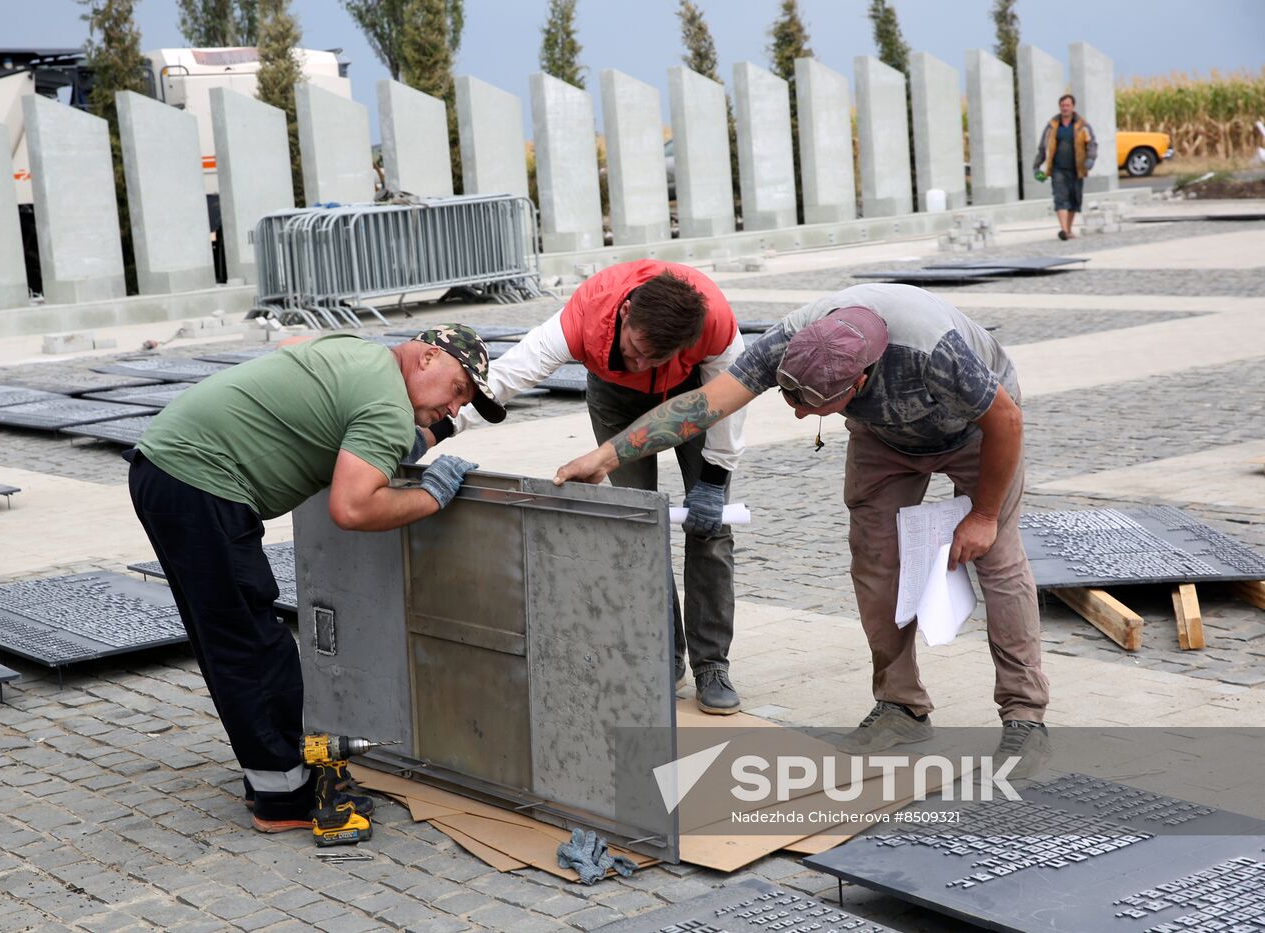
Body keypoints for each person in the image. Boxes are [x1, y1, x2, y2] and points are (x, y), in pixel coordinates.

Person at [554, 283, 1050, 764]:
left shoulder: (933, 352)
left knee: (998, 560)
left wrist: (983, 517)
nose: (798, 415)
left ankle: (1025, 718)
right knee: (876, 563)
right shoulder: (790, 339)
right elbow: (702, 407)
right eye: (790, 397)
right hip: (884, 439)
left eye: (812, 404)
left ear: (858, 381)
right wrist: (606, 455)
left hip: (976, 435)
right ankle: (901, 707)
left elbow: (1005, 421)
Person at [126, 325, 503, 833]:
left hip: (164, 466)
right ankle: (283, 800)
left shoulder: (357, 354)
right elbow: (351, 506)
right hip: (201, 482)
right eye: (459, 391)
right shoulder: (388, 406)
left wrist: (427, 435)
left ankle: (271, 774)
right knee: (253, 646)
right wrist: (430, 498)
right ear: (429, 357)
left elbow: (291, 347)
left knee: (228, 636)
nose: (456, 408)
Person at [428, 260, 749, 714]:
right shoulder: (582, 317)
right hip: (615, 398)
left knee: (710, 530)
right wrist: (436, 428)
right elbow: (504, 378)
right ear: (625, 315)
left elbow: (732, 401)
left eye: (650, 358)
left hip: (693, 396)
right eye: (635, 349)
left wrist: (714, 479)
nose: (639, 362)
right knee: (638, 525)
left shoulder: (715, 327)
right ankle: (663, 654)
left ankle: (712, 664)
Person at [1035, 93, 1098, 241]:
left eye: (1067, 105)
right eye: (1063, 105)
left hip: (1077, 168)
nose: (1065, 108)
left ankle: (1068, 229)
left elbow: (1092, 143)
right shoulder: (1052, 125)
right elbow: (1043, 146)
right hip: (1057, 169)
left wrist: (1091, 158)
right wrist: (1036, 165)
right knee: (1060, 198)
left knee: (1074, 200)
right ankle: (1063, 230)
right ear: (1060, 107)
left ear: (1073, 107)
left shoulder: (1082, 125)